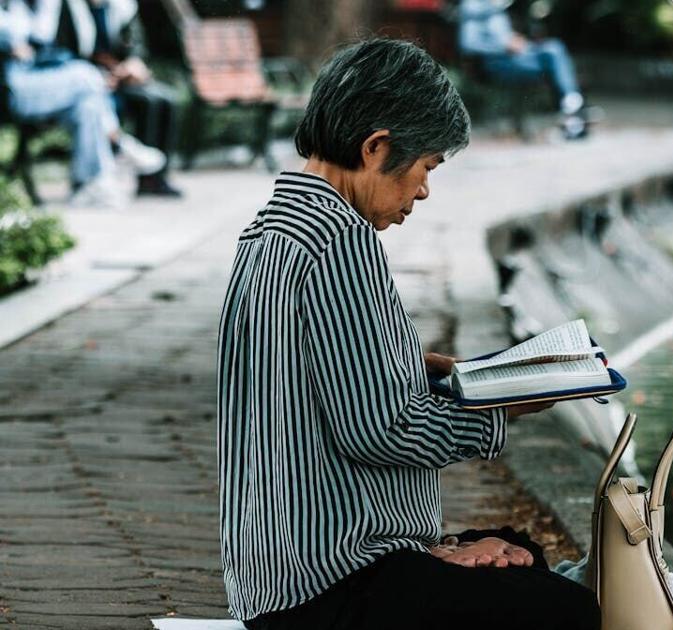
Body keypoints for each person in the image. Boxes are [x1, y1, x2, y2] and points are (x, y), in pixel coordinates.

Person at [217, 38, 601, 630]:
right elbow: (383, 432)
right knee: (568, 609)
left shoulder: (270, 231)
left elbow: (298, 368)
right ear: (376, 148)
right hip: (328, 583)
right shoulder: (340, 244)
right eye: (425, 167)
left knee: (516, 550)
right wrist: (506, 408)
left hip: (271, 574)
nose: (422, 191)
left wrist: (411, 363)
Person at [0, 0, 163, 208]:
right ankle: (118, 145)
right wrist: (13, 39)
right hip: (11, 87)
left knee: (88, 104)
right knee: (87, 77)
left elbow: (44, 39)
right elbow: (15, 34)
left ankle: (89, 185)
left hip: (36, 79)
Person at [30, 0, 182, 197]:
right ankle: (114, 158)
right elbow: (62, 50)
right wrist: (97, 73)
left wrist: (133, 63)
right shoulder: (68, 7)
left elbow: (135, 44)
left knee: (164, 100)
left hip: (120, 78)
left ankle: (153, 178)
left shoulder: (123, 7)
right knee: (110, 104)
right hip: (87, 79)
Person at [458, 0, 589, 140]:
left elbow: (506, 39)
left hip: (516, 59)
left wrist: (519, 43)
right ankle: (571, 108)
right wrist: (504, 46)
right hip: (496, 64)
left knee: (554, 47)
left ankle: (571, 104)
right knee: (553, 63)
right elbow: (468, 44)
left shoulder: (495, 7)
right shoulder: (473, 8)